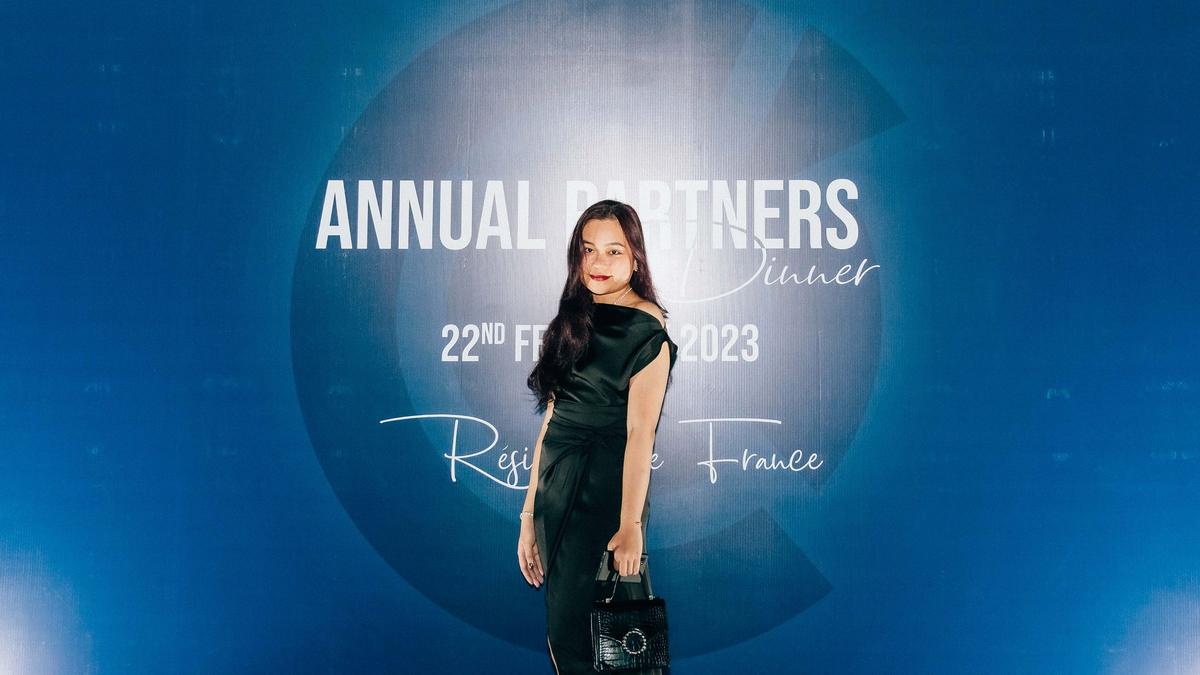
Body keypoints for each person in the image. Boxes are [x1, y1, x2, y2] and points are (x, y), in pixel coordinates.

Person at [518, 200, 679, 674]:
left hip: (607, 491)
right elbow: (551, 421)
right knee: (563, 630)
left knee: (607, 638)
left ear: (636, 259)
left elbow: (641, 433)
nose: (598, 262)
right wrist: (528, 514)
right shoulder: (573, 318)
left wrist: (630, 524)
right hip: (556, 491)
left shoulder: (647, 329)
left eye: (614, 251)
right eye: (589, 250)